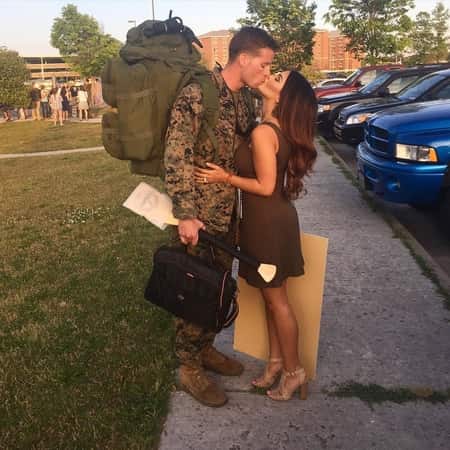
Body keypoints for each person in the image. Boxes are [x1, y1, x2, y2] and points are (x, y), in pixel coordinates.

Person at [164, 26, 278, 408]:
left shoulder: (242, 98)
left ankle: (206, 348)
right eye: (264, 65)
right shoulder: (198, 93)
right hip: (199, 217)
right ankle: (188, 367)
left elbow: (253, 140)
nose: (266, 72)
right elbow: (176, 155)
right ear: (243, 58)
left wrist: (269, 98)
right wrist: (185, 214)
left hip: (227, 214)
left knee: (218, 288)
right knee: (194, 290)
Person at [194, 71, 318, 401]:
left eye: (277, 77)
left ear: (283, 95)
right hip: (272, 221)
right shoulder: (272, 127)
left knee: (277, 302)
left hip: (267, 225)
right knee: (270, 299)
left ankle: (294, 372)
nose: (268, 75)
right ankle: (276, 363)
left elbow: (264, 186)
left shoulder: (265, 132)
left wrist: (225, 177)